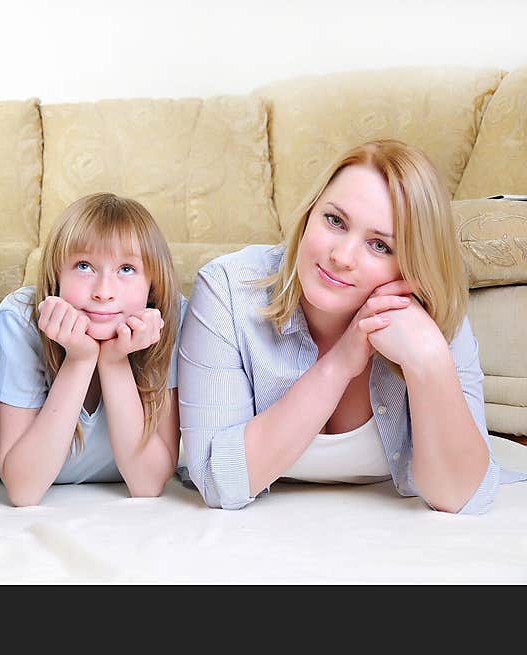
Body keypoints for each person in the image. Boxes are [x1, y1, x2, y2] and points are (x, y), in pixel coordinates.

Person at [178, 139, 527, 515]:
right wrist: (340, 363)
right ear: (310, 212)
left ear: (412, 266)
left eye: (380, 245)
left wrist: (429, 361)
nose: (341, 257)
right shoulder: (228, 289)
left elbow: (460, 496)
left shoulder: (432, 311)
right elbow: (218, 479)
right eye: (335, 221)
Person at [0, 193, 185, 506]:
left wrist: (115, 364)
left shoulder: (171, 320)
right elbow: (23, 490)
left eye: (126, 269)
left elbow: (148, 484)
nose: (103, 292)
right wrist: (80, 360)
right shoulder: (20, 318)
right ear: (57, 275)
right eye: (84, 266)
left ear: (152, 286)